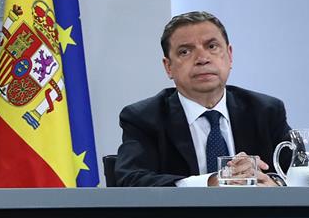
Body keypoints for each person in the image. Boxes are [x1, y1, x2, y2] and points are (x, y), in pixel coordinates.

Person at [114, 11, 290, 187]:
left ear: (229, 55)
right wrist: (211, 182)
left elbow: (303, 173)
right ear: (168, 67)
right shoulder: (144, 118)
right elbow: (131, 180)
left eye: (212, 46)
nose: (202, 59)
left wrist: (275, 185)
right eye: (185, 51)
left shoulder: (266, 111)